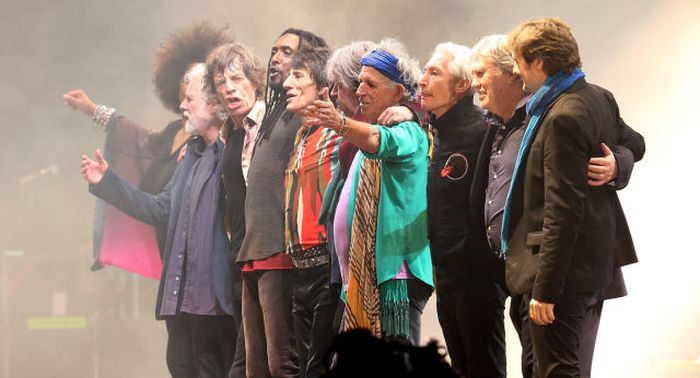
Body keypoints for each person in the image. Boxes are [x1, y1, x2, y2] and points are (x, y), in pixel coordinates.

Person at [470, 33, 645, 378]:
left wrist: (616, 167)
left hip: (558, 269)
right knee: (539, 368)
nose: (474, 83)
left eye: (481, 73)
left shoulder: (556, 112)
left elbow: (632, 144)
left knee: (558, 370)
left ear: (520, 71)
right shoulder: (502, 123)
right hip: (523, 268)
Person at [81, 63, 235, 377]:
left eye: (189, 98)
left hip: (218, 297)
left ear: (213, 103)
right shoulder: (191, 155)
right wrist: (107, 181)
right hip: (183, 295)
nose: (182, 106)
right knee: (180, 365)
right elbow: (159, 209)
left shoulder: (235, 151)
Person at [63, 22, 232, 279]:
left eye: (194, 80)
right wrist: (93, 110)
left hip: (207, 264)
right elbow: (134, 139)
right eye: (183, 79)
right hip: (169, 253)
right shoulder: (171, 134)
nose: (186, 87)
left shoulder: (217, 143)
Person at [305, 39, 433, 346]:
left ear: (398, 93)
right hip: (364, 282)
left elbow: (380, 141)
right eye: (359, 83)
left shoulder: (408, 132)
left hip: (395, 278)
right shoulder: (371, 134)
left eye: (370, 85)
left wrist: (339, 122)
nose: (360, 91)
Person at [235, 28, 328, 378]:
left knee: (282, 363)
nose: (276, 58)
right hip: (255, 252)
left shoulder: (303, 116)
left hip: (282, 253)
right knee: (256, 368)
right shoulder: (276, 112)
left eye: (287, 52)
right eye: (274, 50)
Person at [417, 41, 506, 377]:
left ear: (461, 85)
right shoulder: (437, 131)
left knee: (485, 369)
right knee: (462, 368)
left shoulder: (484, 128)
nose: (422, 80)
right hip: (447, 274)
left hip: (478, 276)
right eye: (424, 72)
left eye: (434, 73)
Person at [205, 41, 267, 378]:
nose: (229, 88)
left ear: (255, 81)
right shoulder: (231, 131)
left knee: (264, 359)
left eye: (237, 78)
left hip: (272, 258)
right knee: (247, 358)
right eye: (220, 84)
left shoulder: (273, 125)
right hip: (241, 260)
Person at [282, 46, 338, 377]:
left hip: (325, 270)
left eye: (297, 75)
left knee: (318, 369)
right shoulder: (302, 134)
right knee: (305, 369)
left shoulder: (338, 130)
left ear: (322, 89)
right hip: (298, 270)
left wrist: (408, 112)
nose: (287, 82)